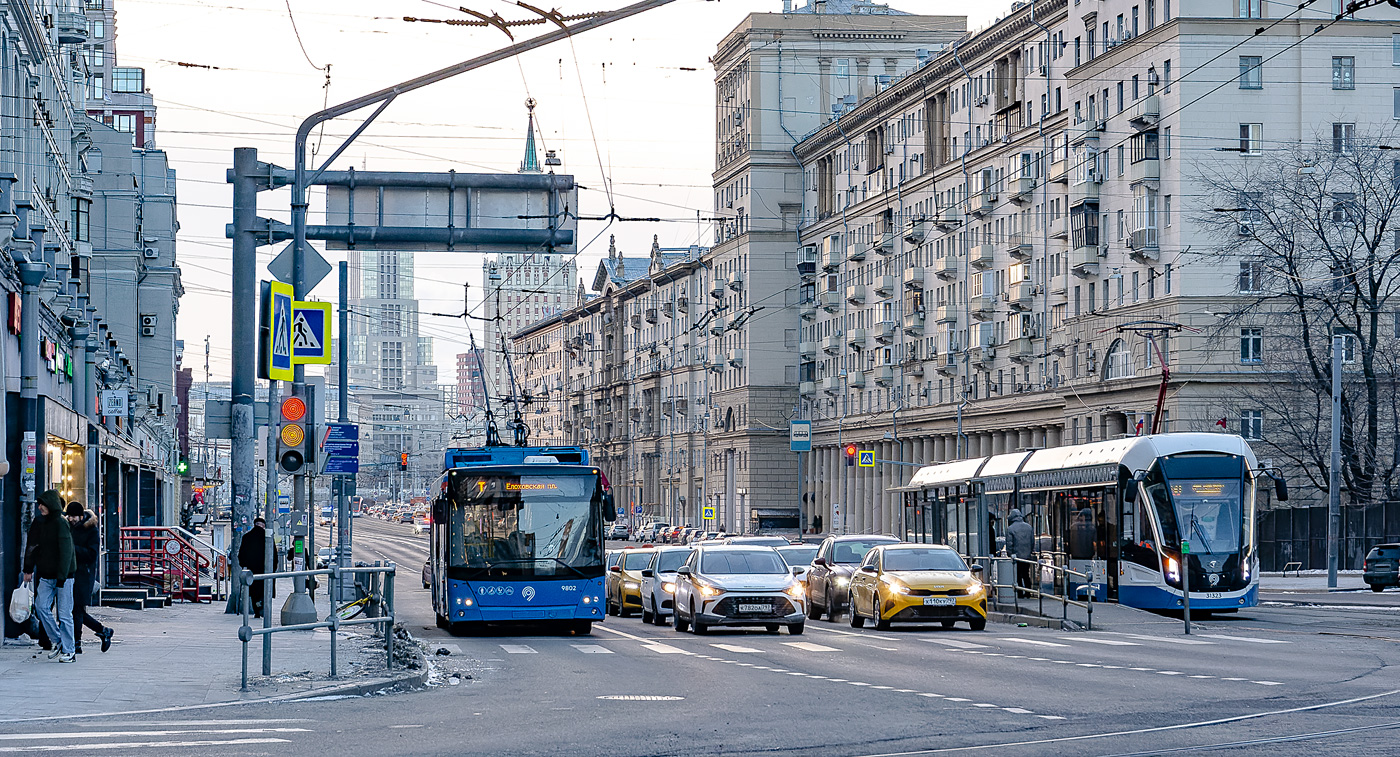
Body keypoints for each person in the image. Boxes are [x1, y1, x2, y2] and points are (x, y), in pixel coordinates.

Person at [23, 490, 77, 662]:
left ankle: (69, 650)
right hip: (46, 575)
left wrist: (62, 577)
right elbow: (32, 546)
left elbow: (66, 552)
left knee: (64, 613)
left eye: (42, 504)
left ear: (51, 504)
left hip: (64, 576)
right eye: (38, 504)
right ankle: (58, 640)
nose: (39, 507)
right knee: (41, 607)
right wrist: (28, 569)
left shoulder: (61, 523)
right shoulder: (40, 522)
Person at [65, 502, 113, 653]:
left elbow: (92, 555)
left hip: (84, 574)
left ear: (80, 516)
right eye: (69, 516)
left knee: (77, 609)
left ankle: (76, 643)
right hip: (70, 573)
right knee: (75, 610)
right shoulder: (69, 528)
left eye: (73, 516)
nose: (71, 519)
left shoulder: (91, 530)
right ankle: (103, 630)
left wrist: (73, 548)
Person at [238, 518, 268, 617]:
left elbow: (241, 554)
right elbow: (273, 555)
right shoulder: (267, 538)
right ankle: (263, 609)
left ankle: (257, 610)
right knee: (265, 590)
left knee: (254, 591)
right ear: (263, 526)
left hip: (251, 570)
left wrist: (244, 565)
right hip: (265, 569)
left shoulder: (247, 537)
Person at [1006, 508, 1035, 591]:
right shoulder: (1029, 527)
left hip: (1017, 556)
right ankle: (1028, 591)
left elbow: (1009, 544)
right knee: (1026, 574)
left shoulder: (1010, 529)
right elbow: (1032, 541)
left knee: (1018, 575)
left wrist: (1010, 554)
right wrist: (1030, 552)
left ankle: (1020, 592)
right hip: (1027, 557)